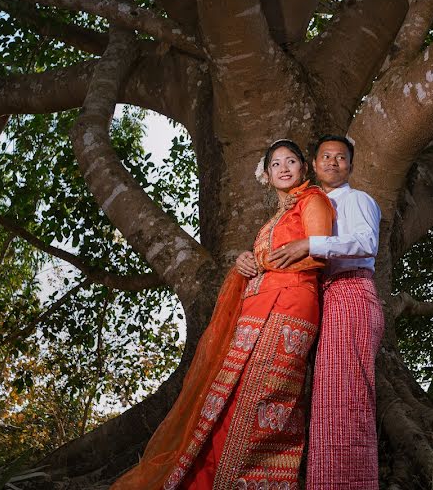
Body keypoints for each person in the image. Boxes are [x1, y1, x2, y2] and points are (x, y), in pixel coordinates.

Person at [111, 139, 334, 490]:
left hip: (290, 307)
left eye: (292, 161)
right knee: (230, 397)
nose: (285, 168)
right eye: (276, 164)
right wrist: (243, 262)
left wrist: (258, 262)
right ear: (267, 175)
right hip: (256, 310)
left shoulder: (313, 200)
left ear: (304, 168)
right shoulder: (272, 220)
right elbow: (269, 258)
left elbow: (322, 253)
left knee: (262, 401)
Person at [237, 134, 383, 489]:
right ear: (314, 166)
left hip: (351, 290)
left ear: (351, 165)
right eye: (326, 157)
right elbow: (280, 254)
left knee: (346, 400)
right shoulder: (304, 208)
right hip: (323, 299)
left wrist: (311, 243)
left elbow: (367, 243)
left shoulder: (356, 200)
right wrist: (248, 260)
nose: (333, 163)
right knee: (325, 402)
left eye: (342, 158)